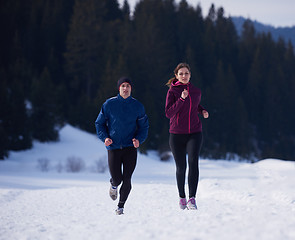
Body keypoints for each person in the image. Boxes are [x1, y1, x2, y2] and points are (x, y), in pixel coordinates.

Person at [95, 77, 149, 215]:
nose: (125, 88)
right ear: (119, 88)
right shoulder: (109, 104)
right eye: (123, 86)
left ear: (131, 88)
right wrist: (105, 137)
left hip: (130, 147)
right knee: (117, 179)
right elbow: (99, 123)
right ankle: (113, 185)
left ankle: (120, 207)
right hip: (113, 147)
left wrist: (139, 139)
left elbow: (144, 126)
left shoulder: (138, 106)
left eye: (128, 86)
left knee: (127, 179)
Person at [165, 63, 209, 210]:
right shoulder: (172, 91)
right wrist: (181, 99)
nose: (184, 76)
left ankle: (192, 199)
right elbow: (169, 113)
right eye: (181, 73)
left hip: (195, 133)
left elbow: (195, 105)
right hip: (176, 134)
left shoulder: (196, 91)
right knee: (181, 167)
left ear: (190, 75)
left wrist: (202, 110)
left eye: (186, 73)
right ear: (176, 75)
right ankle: (182, 197)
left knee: (193, 162)